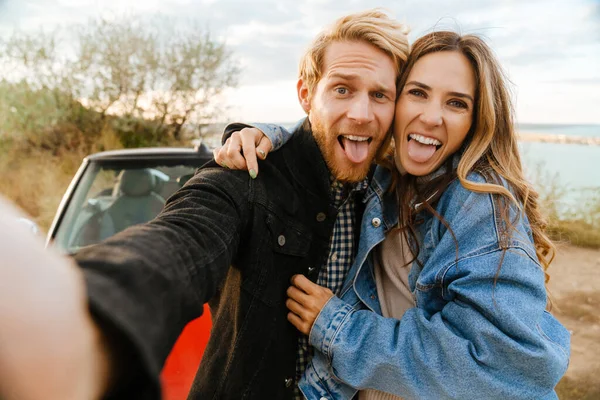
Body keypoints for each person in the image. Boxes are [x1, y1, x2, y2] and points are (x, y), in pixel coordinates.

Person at [0, 9, 410, 400]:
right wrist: (81, 317)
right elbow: (181, 241)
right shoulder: (248, 175)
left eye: (379, 95)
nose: (362, 113)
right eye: (342, 89)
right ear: (306, 94)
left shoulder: (394, 196)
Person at [214, 31, 571, 399]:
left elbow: (508, 365)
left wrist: (338, 328)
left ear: (476, 121)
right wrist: (269, 136)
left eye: (456, 103)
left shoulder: (478, 201)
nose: (431, 117)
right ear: (395, 101)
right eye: (417, 92)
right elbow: (336, 125)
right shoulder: (388, 180)